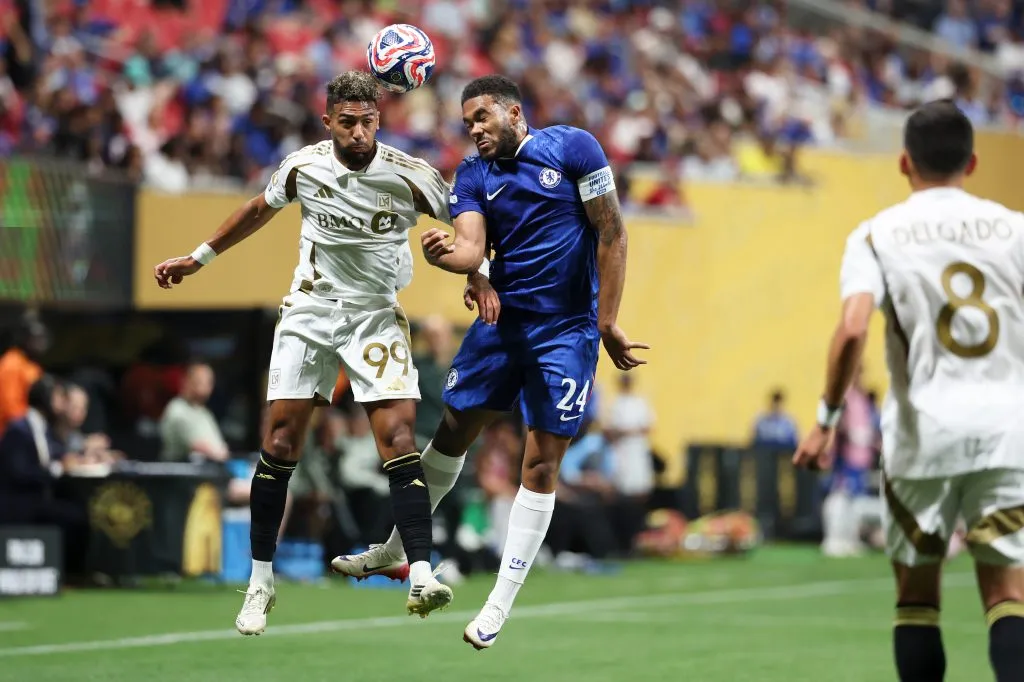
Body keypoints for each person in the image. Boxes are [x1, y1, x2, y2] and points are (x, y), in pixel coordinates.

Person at [153, 71, 484, 635]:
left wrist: (474, 270)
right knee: (280, 442)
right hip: (309, 313)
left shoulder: (413, 175)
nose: (359, 133)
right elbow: (259, 209)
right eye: (348, 122)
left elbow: (468, 226)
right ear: (328, 121)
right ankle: (260, 582)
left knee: (400, 441)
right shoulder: (303, 166)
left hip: (376, 315)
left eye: (368, 122)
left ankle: (421, 572)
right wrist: (198, 257)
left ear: (380, 121)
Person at [332, 75, 648, 649]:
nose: (474, 129)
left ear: (513, 112)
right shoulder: (473, 176)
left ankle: (498, 603)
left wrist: (606, 322)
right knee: (452, 432)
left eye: (481, 117)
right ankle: (397, 547)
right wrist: (448, 256)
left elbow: (612, 232)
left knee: (542, 463)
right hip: (501, 326)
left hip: (565, 333)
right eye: (467, 122)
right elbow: (472, 248)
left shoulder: (574, 148)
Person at [793, 99, 1024, 682]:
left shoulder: (876, 235)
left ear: (904, 163)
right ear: (972, 163)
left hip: (923, 435)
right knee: (1007, 592)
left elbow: (851, 329)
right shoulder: (1015, 229)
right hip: (1006, 431)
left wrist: (826, 417)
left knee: (917, 597)